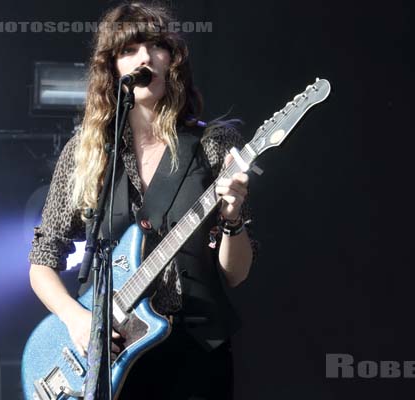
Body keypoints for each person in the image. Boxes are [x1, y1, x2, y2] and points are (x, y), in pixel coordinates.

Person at [28, 2, 256, 398]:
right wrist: (78, 319)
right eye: (129, 49)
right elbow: (42, 262)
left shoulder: (214, 146)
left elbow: (235, 274)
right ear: (112, 68)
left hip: (196, 351)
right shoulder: (88, 153)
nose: (145, 57)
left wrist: (233, 219)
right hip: (112, 357)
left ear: (172, 60)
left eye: (156, 46)